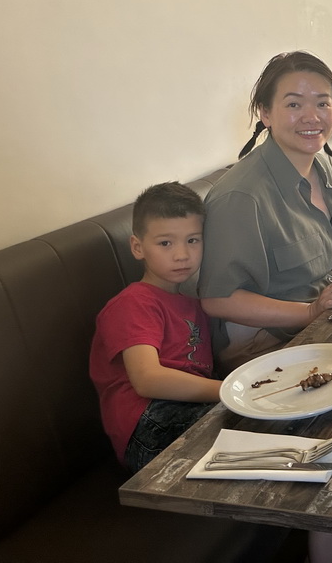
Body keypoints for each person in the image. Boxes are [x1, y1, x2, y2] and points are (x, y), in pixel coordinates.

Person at [199, 52, 332, 373]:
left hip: (325, 317)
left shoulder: (318, 167)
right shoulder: (240, 196)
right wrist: (309, 312)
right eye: (294, 104)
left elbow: (324, 243)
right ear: (265, 113)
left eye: (323, 103)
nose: (312, 116)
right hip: (265, 348)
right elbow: (219, 300)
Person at [90, 182, 218, 473]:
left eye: (193, 240)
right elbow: (148, 379)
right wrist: (230, 390)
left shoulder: (194, 303)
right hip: (149, 423)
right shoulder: (134, 302)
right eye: (165, 243)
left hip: (187, 409)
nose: (182, 255)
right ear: (138, 247)